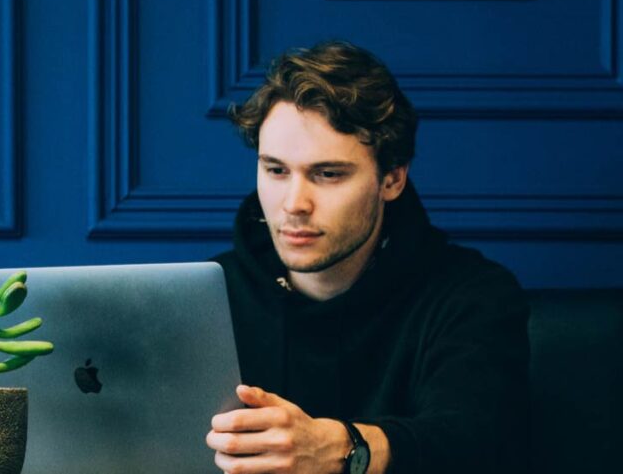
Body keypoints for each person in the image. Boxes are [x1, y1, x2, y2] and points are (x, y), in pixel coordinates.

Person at [206, 41, 530, 474]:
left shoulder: (471, 294)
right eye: (276, 170)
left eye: (328, 174)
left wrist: (344, 448)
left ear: (392, 179)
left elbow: (472, 441)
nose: (293, 204)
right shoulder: (214, 291)